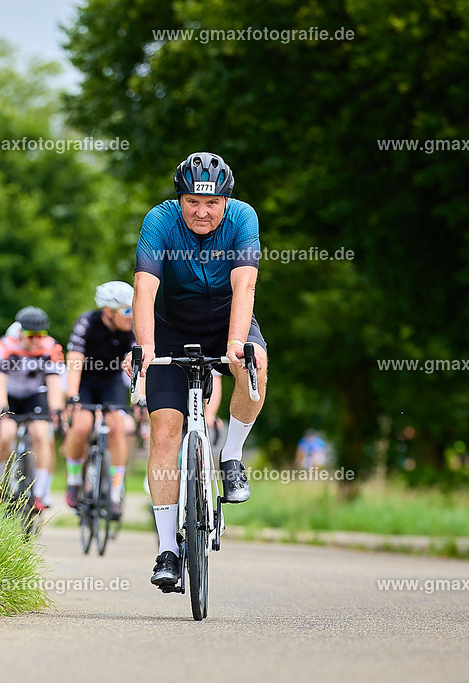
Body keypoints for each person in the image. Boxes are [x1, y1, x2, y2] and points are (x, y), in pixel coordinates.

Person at [131, 152, 269, 589]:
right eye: (192, 202)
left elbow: (244, 283)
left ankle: (231, 457)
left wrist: (235, 345)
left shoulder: (243, 219)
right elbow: (144, 287)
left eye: (211, 204)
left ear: (226, 201)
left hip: (228, 322)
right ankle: (167, 550)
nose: (202, 212)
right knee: (164, 432)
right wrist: (146, 346)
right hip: (171, 329)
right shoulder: (160, 221)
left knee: (256, 361)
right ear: (179, 200)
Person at [63, 281, 137, 520]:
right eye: (126, 310)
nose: (132, 315)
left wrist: (140, 399)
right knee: (82, 425)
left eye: (133, 308)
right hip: (85, 381)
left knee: (116, 426)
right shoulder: (87, 322)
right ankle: (74, 479)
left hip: (111, 382)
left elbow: (140, 365)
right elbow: (74, 360)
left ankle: (115, 493)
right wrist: (72, 397)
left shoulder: (133, 328)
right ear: (108, 311)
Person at [0, 306, 65, 514]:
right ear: (21, 332)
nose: (36, 340)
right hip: (9, 394)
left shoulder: (50, 347)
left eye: (41, 335)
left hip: (34, 394)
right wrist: (1, 407)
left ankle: (39, 493)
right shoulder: (5, 345)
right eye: (31, 335)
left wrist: (56, 409)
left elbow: (54, 382)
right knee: (6, 434)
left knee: (41, 433)